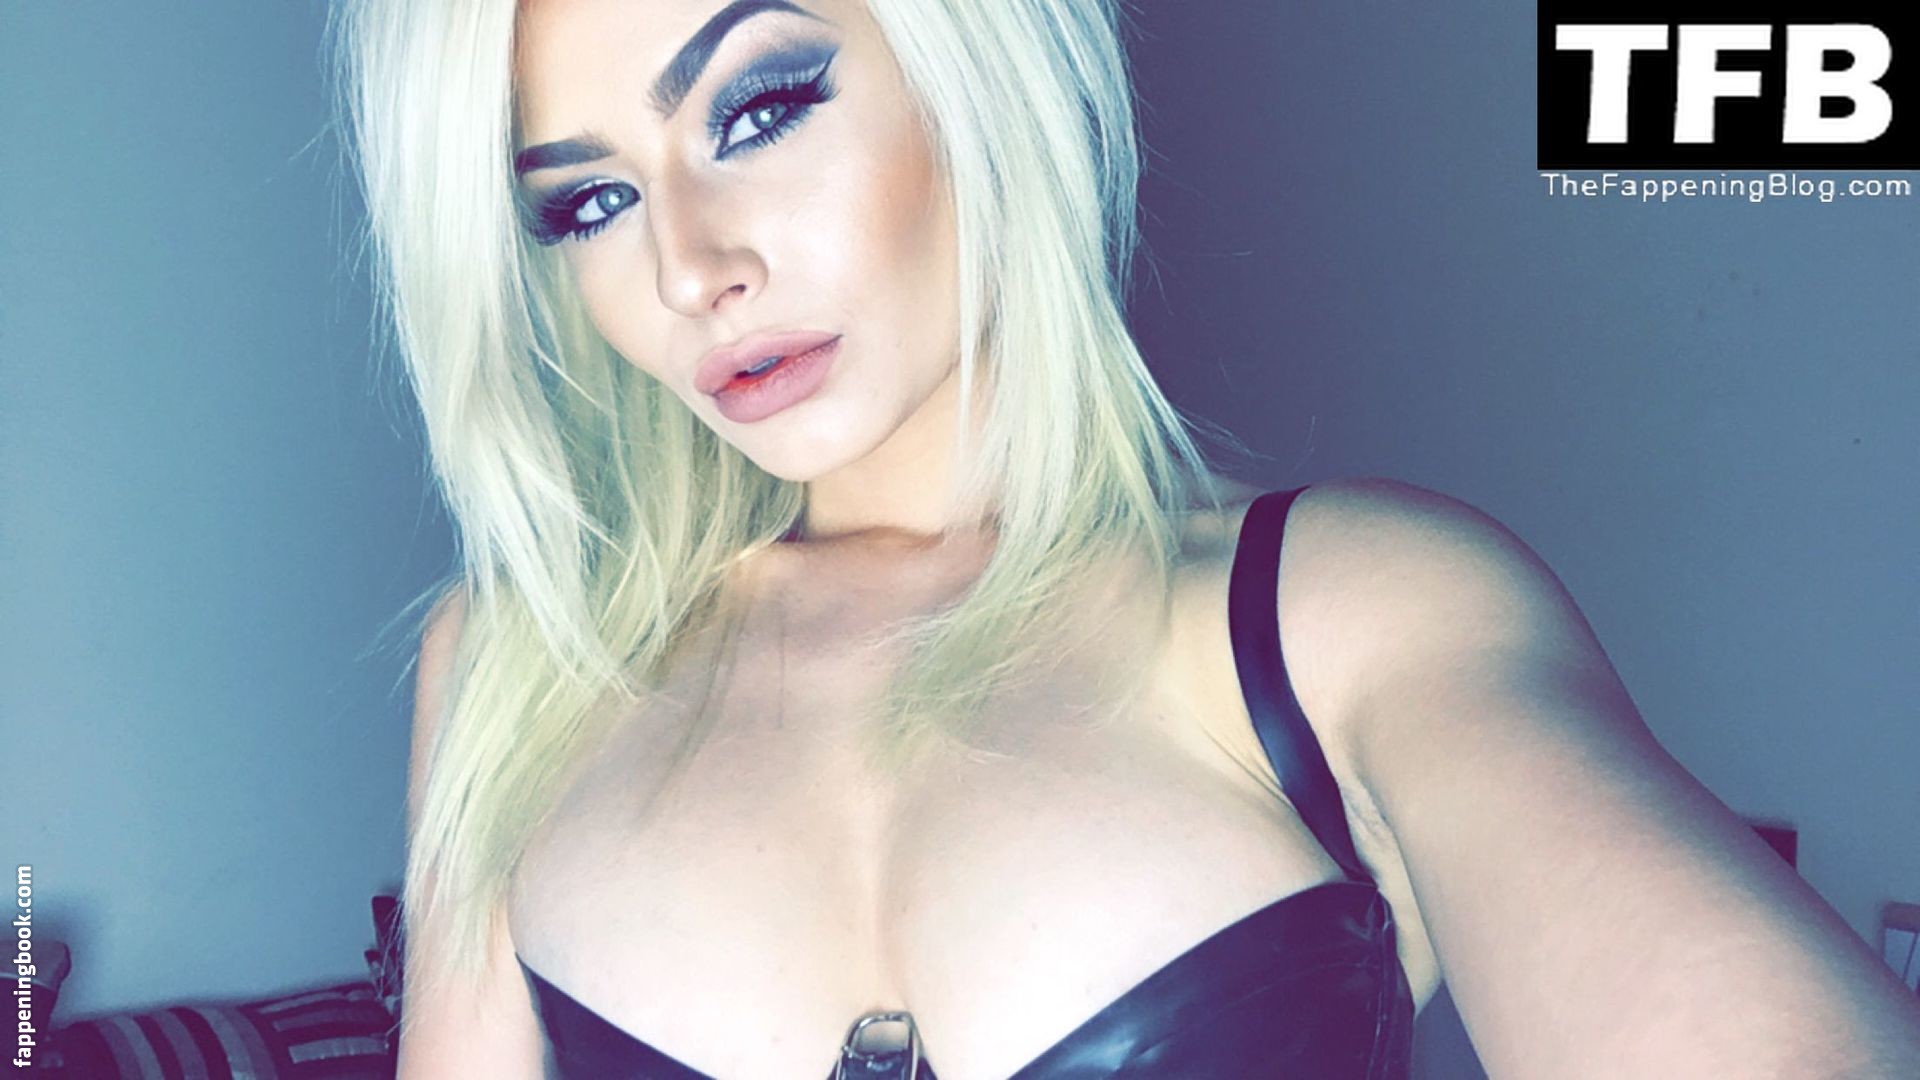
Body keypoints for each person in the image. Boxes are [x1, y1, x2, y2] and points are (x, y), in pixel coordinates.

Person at [330, 0, 1920, 1076]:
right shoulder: (524, 665)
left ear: (974, 63)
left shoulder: (1347, 615)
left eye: (760, 110)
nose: (690, 267)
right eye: (589, 202)